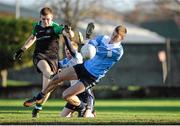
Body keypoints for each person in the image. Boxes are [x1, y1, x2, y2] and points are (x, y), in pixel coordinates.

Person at [25, 25, 127, 117]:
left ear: (121, 39)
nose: (113, 37)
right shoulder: (103, 38)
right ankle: (39, 97)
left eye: (116, 37)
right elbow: (92, 45)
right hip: (83, 67)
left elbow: (98, 51)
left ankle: (83, 108)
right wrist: (89, 43)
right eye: (113, 33)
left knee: (65, 95)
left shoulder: (118, 51)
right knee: (56, 78)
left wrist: (88, 45)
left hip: (91, 77)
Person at [13, 7, 74, 118]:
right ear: (40, 18)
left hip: (53, 58)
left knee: (47, 88)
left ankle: (37, 107)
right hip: (40, 56)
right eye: (43, 19)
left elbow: (69, 35)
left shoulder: (55, 27)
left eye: (48, 19)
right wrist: (22, 49)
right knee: (47, 71)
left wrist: (69, 31)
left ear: (52, 18)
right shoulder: (37, 26)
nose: (46, 22)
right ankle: (55, 77)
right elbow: (32, 38)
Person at [59, 35, 95, 117]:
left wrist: (65, 36)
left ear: (76, 50)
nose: (68, 51)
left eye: (69, 49)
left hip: (85, 93)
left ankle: (90, 112)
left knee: (85, 117)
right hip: (74, 94)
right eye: (66, 50)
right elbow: (55, 65)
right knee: (63, 117)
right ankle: (80, 109)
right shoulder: (65, 61)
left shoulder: (77, 56)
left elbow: (72, 50)